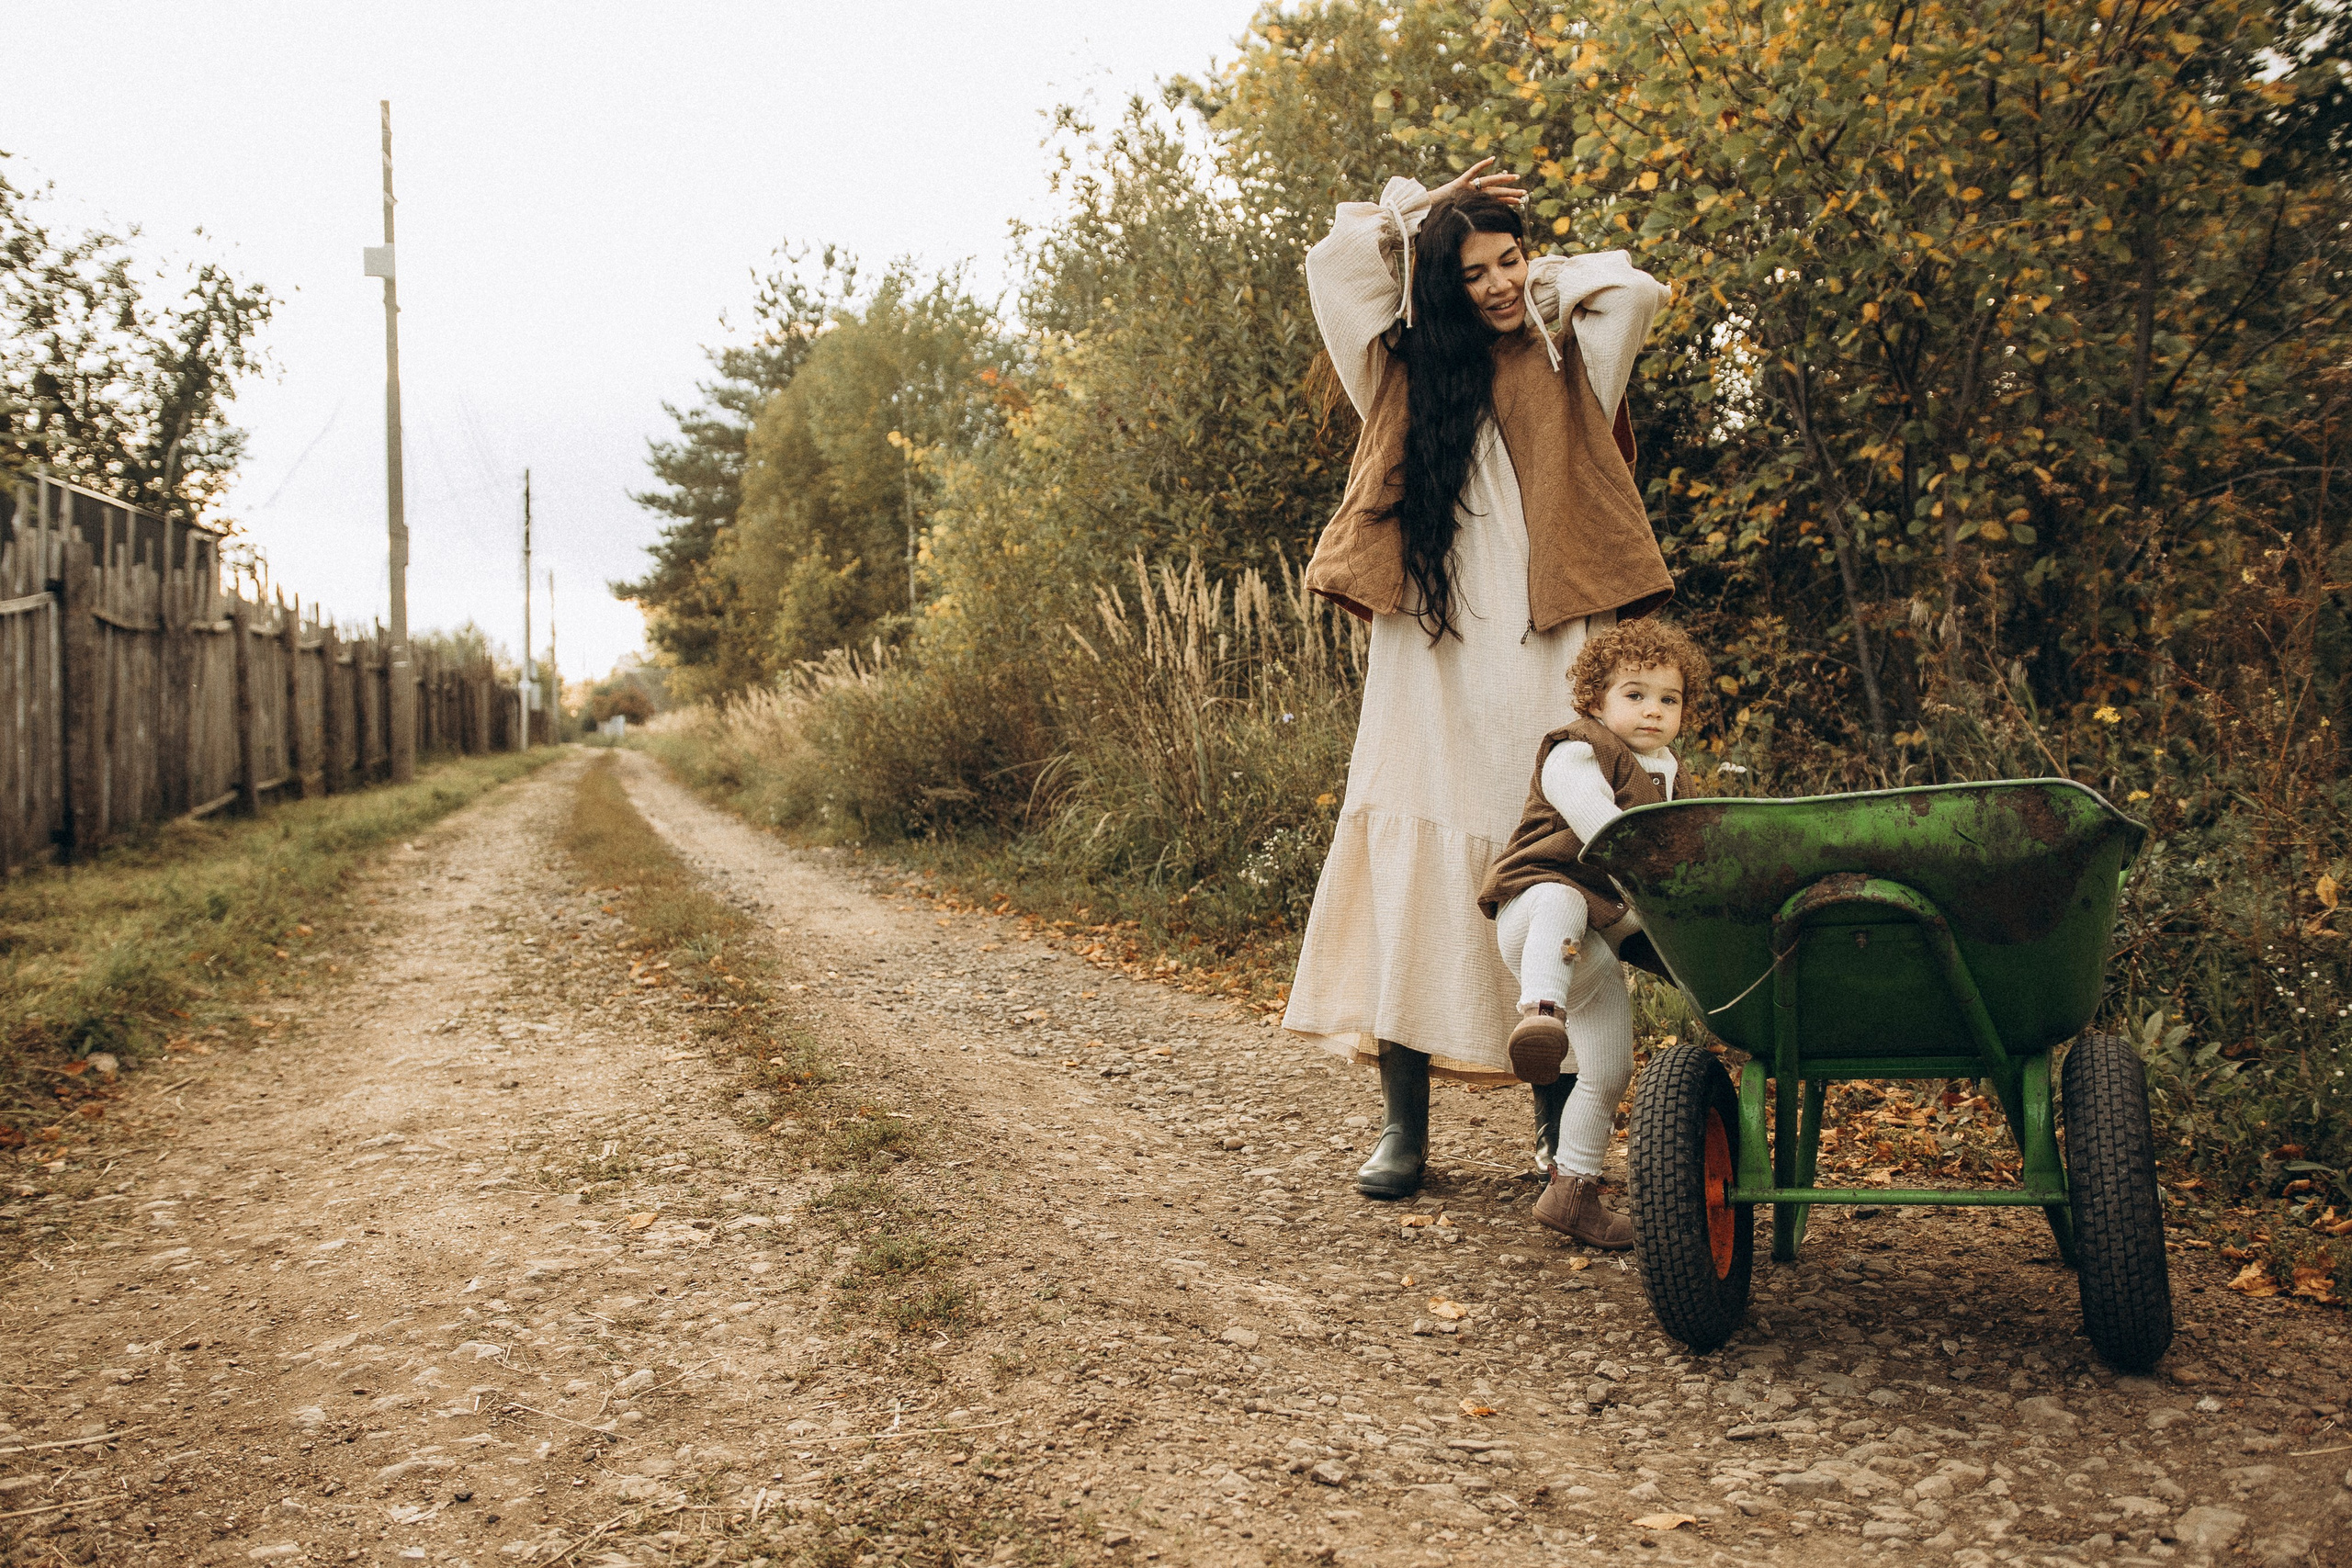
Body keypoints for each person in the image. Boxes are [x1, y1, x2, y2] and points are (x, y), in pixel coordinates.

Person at [1283, 157, 1675, 1201]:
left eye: (1513, 261)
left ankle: (1552, 1126)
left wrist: (1536, 281)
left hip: (1551, 641)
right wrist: (1422, 215)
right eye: (1476, 272)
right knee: (1415, 855)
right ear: (1438, 284)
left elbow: (1633, 291)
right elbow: (1335, 265)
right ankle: (1403, 1128)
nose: (1500, 284)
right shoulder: (1395, 367)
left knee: (1549, 859)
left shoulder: (1570, 358)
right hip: (1428, 651)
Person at [1476, 619, 1711, 1246]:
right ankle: (1540, 1014)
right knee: (1563, 895)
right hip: (1535, 912)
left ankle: (1572, 1191)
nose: (1654, 710)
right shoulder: (1577, 750)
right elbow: (1608, 833)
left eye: (1669, 699)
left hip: (1593, 945)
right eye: (1635, 694)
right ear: (1596, 701)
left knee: (1608, 1069)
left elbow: (1662, 884)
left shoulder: (1671, 773)